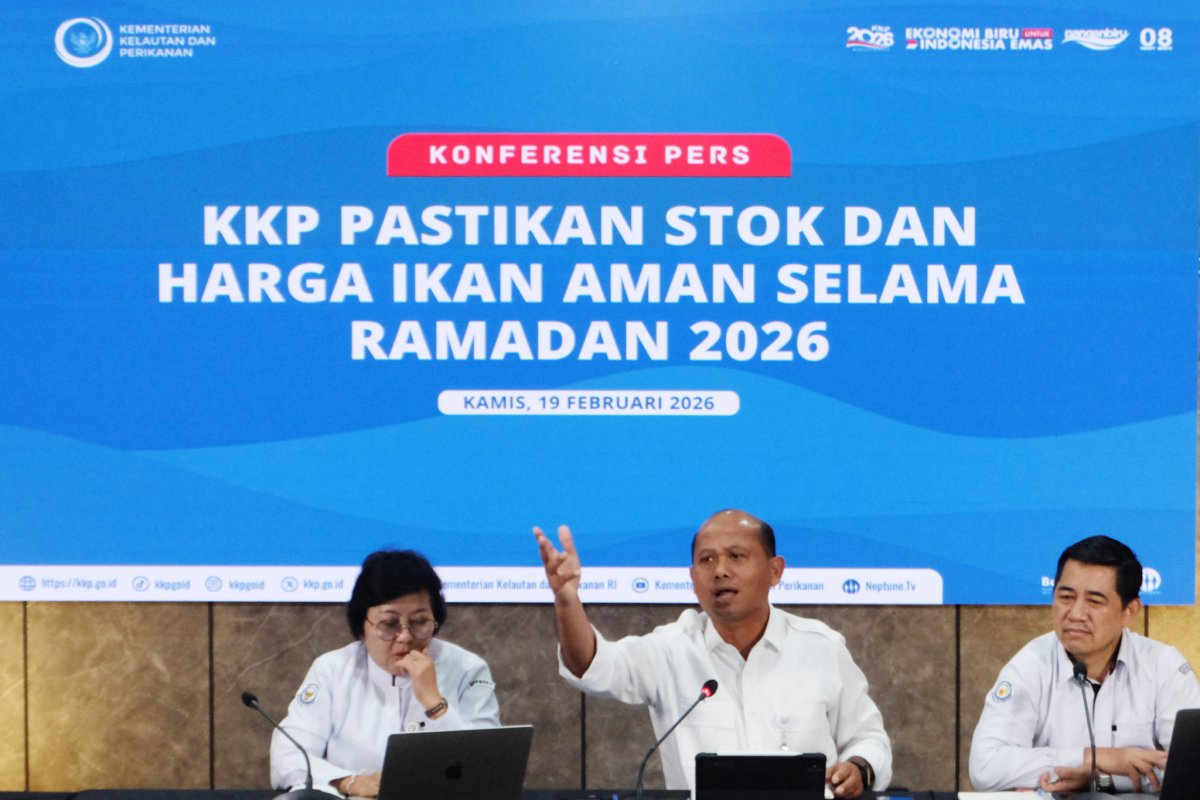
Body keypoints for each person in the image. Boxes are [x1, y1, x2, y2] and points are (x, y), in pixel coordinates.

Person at [535, 509, 892, 798]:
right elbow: (593, 667)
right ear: (693, 579)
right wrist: (567, 600)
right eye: (706, 560)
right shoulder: (671, 650)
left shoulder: (820, 648)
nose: (720, 570)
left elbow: (869, 739)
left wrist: (858, 768)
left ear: (775, 571)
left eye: (736, 556)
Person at [969, 535, 1200, 794]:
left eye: (1094, 601)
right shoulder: (1030, 664)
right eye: (1066, 597)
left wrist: (1097, 779)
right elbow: (985, 767)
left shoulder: (1163, 666)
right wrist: (1091, 757)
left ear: (1130, 611)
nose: (1076, 613)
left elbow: (1192, 768)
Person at [270, 549, 500, 797]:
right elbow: (288, 757)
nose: (405, 637)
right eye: (389, 624)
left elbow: (491, 769)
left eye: (420, 622)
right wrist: (350, 782)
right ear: (362, 625)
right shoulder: (332, 670)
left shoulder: (467, 669)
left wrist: (434, 702)